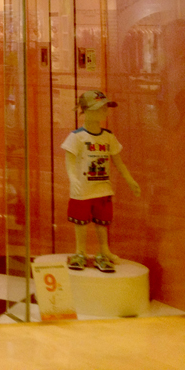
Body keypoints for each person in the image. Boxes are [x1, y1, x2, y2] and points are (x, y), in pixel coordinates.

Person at [62, 90, 140, 273]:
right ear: (86, 110)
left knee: (102, 223)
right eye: (98, 108)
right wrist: (72, 179)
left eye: (105, 108)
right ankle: (80, 251)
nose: (103, 111)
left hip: (103, 188)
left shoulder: (108, 137)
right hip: (82, 190)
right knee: (80, 223)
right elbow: (69, 161)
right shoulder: (77, 137)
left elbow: (118, 162)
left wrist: (130, 180)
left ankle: (104, 250)